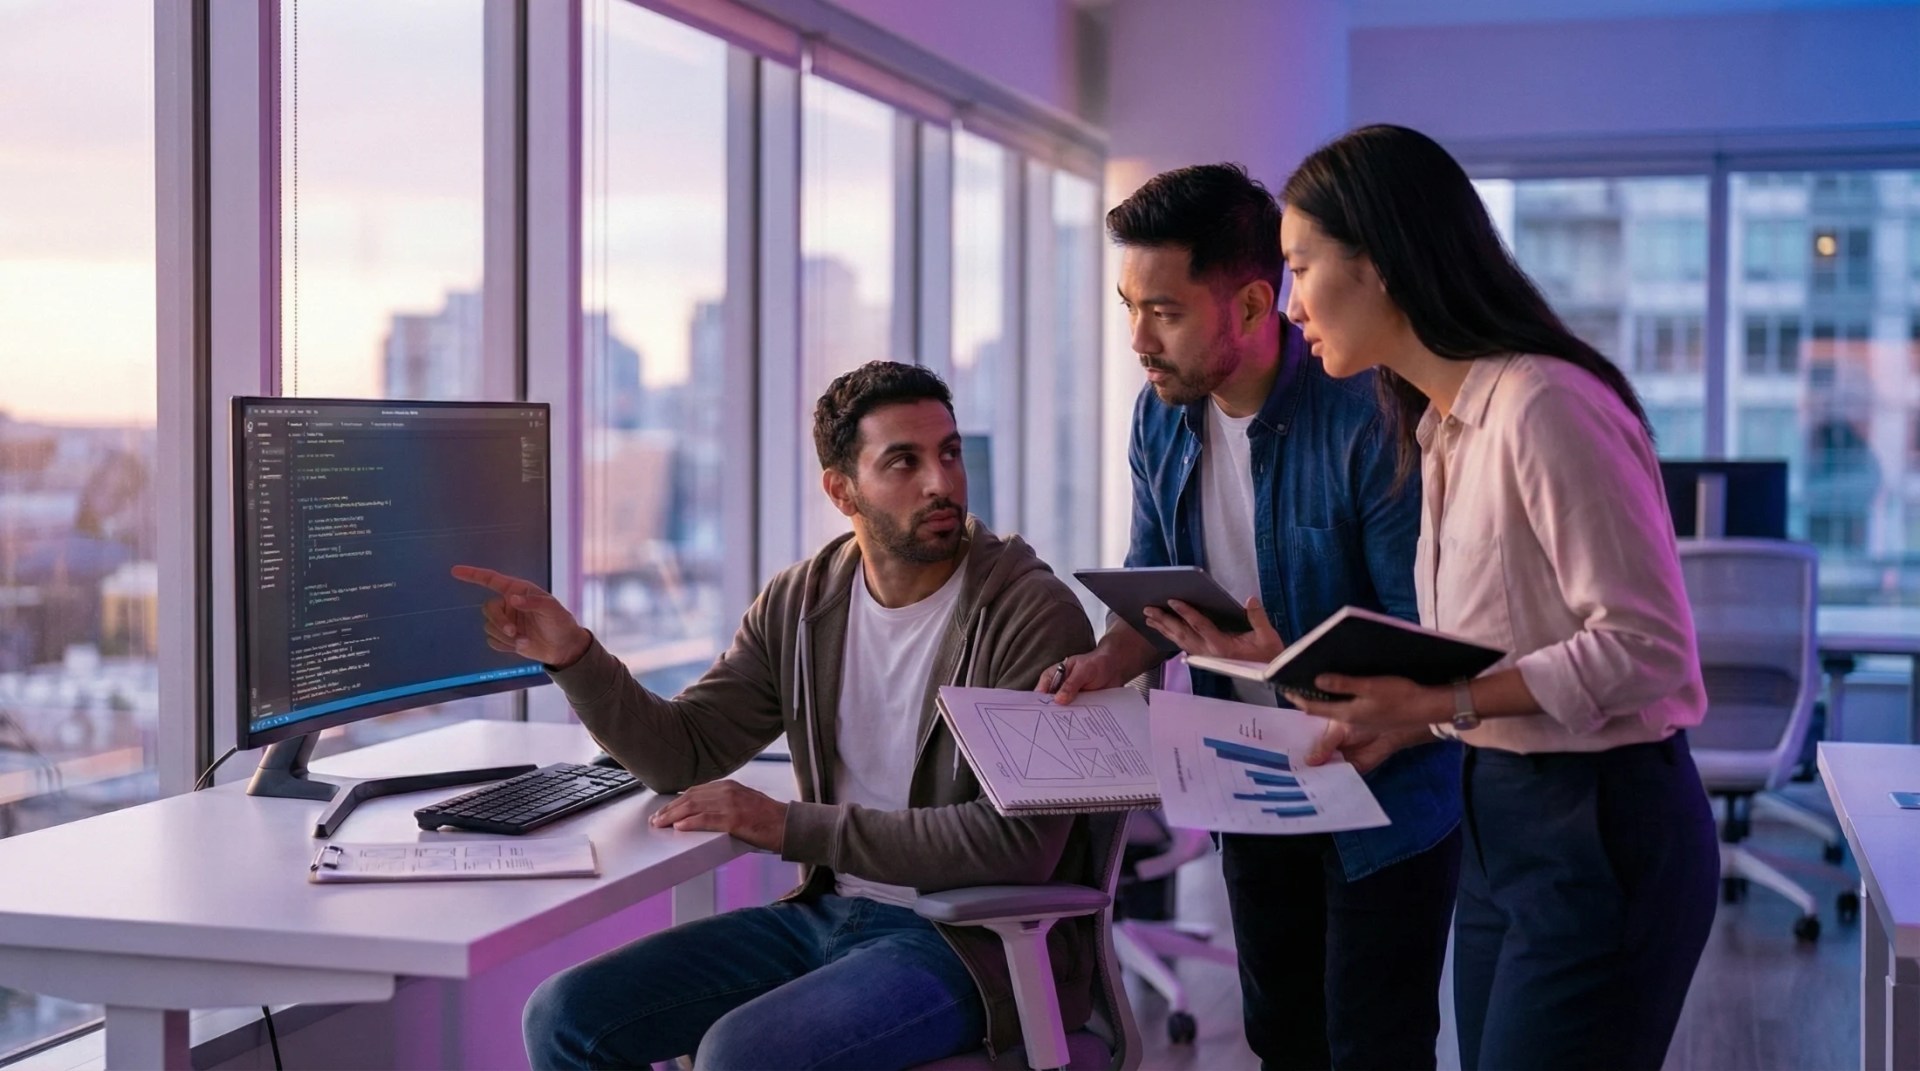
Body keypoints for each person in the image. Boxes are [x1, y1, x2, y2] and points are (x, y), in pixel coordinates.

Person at [458, 361, 1098, 1071]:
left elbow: (1019, 845)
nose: (942, 482)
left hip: (970, 941)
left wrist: (786, 824)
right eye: (904, 461)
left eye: (948, 452)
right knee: (566, 1016)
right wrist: (574, 654)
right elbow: (684, 750)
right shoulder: (801, 604)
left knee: (740, 1054)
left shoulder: (1030, 613)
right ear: (841, 488)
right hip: (829, 912)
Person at [1278, 125, 1718, 1071]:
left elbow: (1648, 650)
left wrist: (1439, 702)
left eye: (1301, 266)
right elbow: (1505, 647)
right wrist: (1407, 723)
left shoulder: (1543, 406)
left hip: (1599, 825)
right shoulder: (1440, 426)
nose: (1290, 305)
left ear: (1382, 263)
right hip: (1499, 823)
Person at [1048, 162, 1462, 1070]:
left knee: (1374, 1046)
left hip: (1383, 795)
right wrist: (1096, 665)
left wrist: (1291, 671)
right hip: (1249, 778)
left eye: (1163, 311)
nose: (1137, 339)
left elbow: (1427, 649)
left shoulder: (1366, 413)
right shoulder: (1159, 419)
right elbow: (1155, 594)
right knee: (1282, 1039)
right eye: (1129, 307)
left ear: (1248, 305)